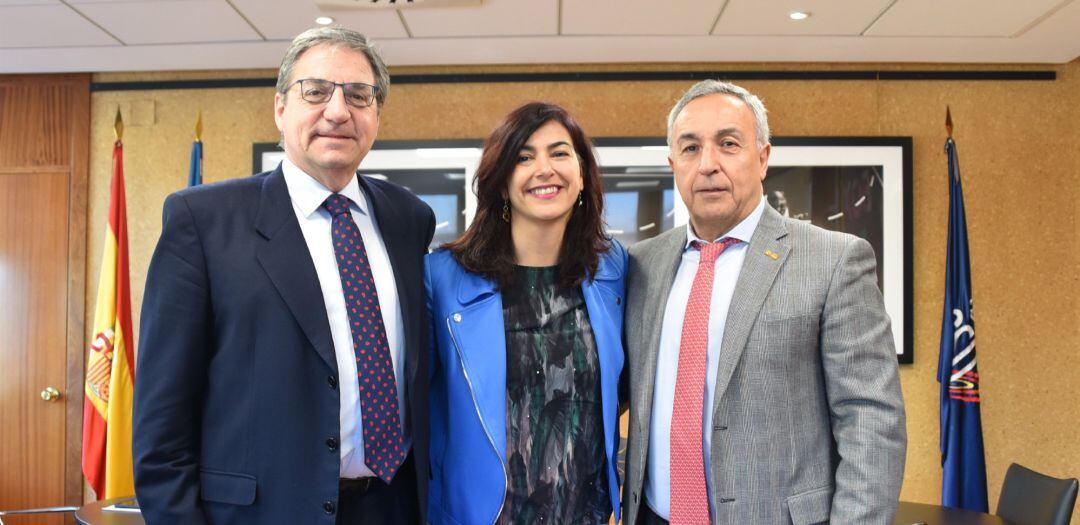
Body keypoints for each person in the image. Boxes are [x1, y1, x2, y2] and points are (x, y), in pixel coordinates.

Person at [133, 27, 434, 525]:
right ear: (280, 108)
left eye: (359, 95)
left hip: (394, 507)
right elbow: (161, 422)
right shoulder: (202, 220)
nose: (338, 111)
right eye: (315, 91)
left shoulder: (409, 219)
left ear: (376, 115)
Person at [621, 80, 906, 525]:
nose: (708, 165)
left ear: (763, 157)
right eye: (691, 148)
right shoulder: (642, 264)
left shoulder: (834, 260)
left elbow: (871, 419)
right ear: (673, 163)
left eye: (728, 144)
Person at [424, 102, 626, 525]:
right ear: (501, 183)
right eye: (523, 157)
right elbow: (417, 403)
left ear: (583, 174)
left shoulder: (612, 271)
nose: (544, 169)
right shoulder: (443, 277)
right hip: (479, 515)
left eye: (559, 152)